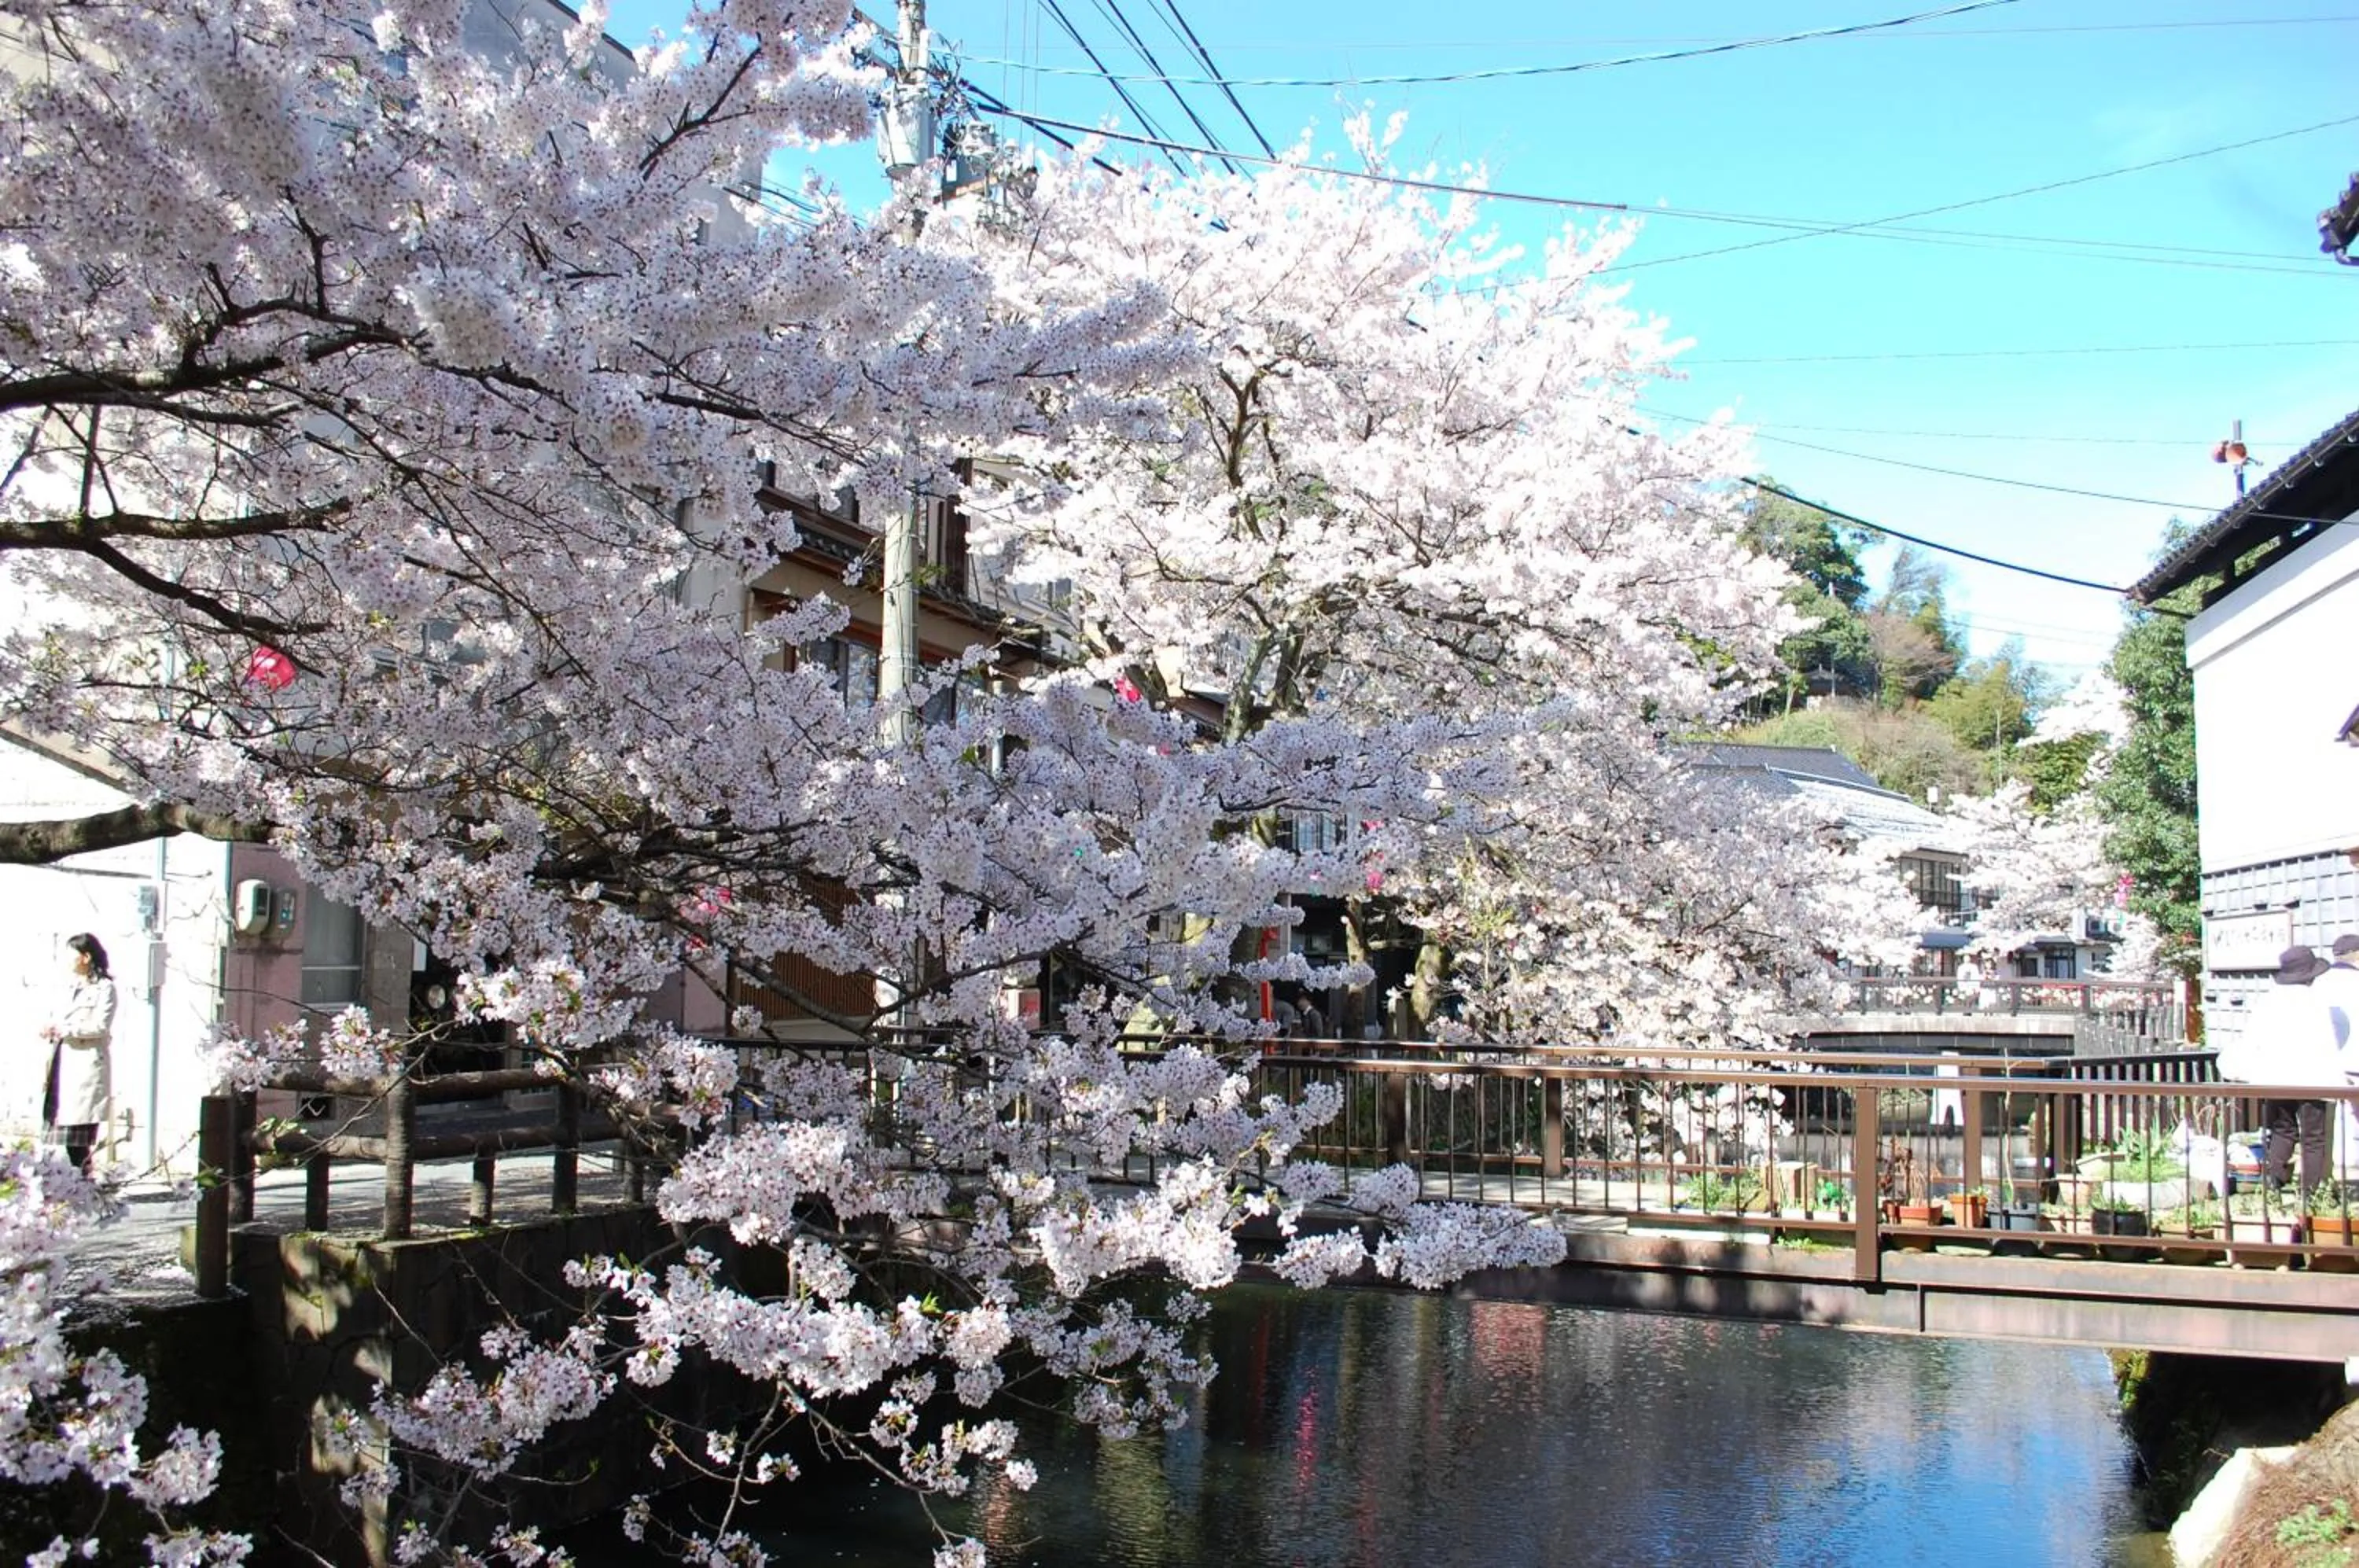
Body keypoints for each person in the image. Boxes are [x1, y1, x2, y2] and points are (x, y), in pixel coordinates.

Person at [2217, 944, 2341, 1198]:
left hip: (2274, 1077)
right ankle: (2311, 1194)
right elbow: (2328, 1042)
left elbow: (2252, 1040)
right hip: (2313, 1079)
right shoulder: (2318, 1001)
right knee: (2313, 1138)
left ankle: (2273, 1184)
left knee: (2283, 1131)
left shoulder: (2268, 1000)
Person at [39, 933, 116, 1174]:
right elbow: (59, 1017)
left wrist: (66, 1030)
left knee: (77, 1138)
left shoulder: (105, 988)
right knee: (55, 1132)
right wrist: (51, 1028)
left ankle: (84, 1184)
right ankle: (70, 1185)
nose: (67, 961)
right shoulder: (70, 987)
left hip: (84, 1067)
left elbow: (101, 1026)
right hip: (62, 1062)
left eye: (72, 956)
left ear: (86, 957)